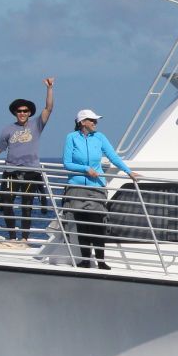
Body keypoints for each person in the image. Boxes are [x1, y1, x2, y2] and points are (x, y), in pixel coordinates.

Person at [0, 78, 55, 244]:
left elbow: (48, 108)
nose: (22, 113)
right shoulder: (7, 129)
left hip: (31, 172)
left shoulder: (36, 125)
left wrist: (49, 88)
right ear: (15, 112)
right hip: (11, 172)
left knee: (26, 206)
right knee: (7, 204)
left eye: (25, 111)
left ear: (30, 113)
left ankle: (24, 238)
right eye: (19, 111)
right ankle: (12, 237)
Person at [62, 109, 139, 270]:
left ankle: (101, 261)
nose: (95, 123)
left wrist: (129, 172)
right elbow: (67, 163)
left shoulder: (100, 137)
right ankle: (85, 260)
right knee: (82, 226)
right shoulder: (71, 137)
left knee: (97, 225)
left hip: (96, 187)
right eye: (92, 120)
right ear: (82, 122)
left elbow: (113, 157)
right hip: (77, 188)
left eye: (95, 120)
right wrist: (85, 169)